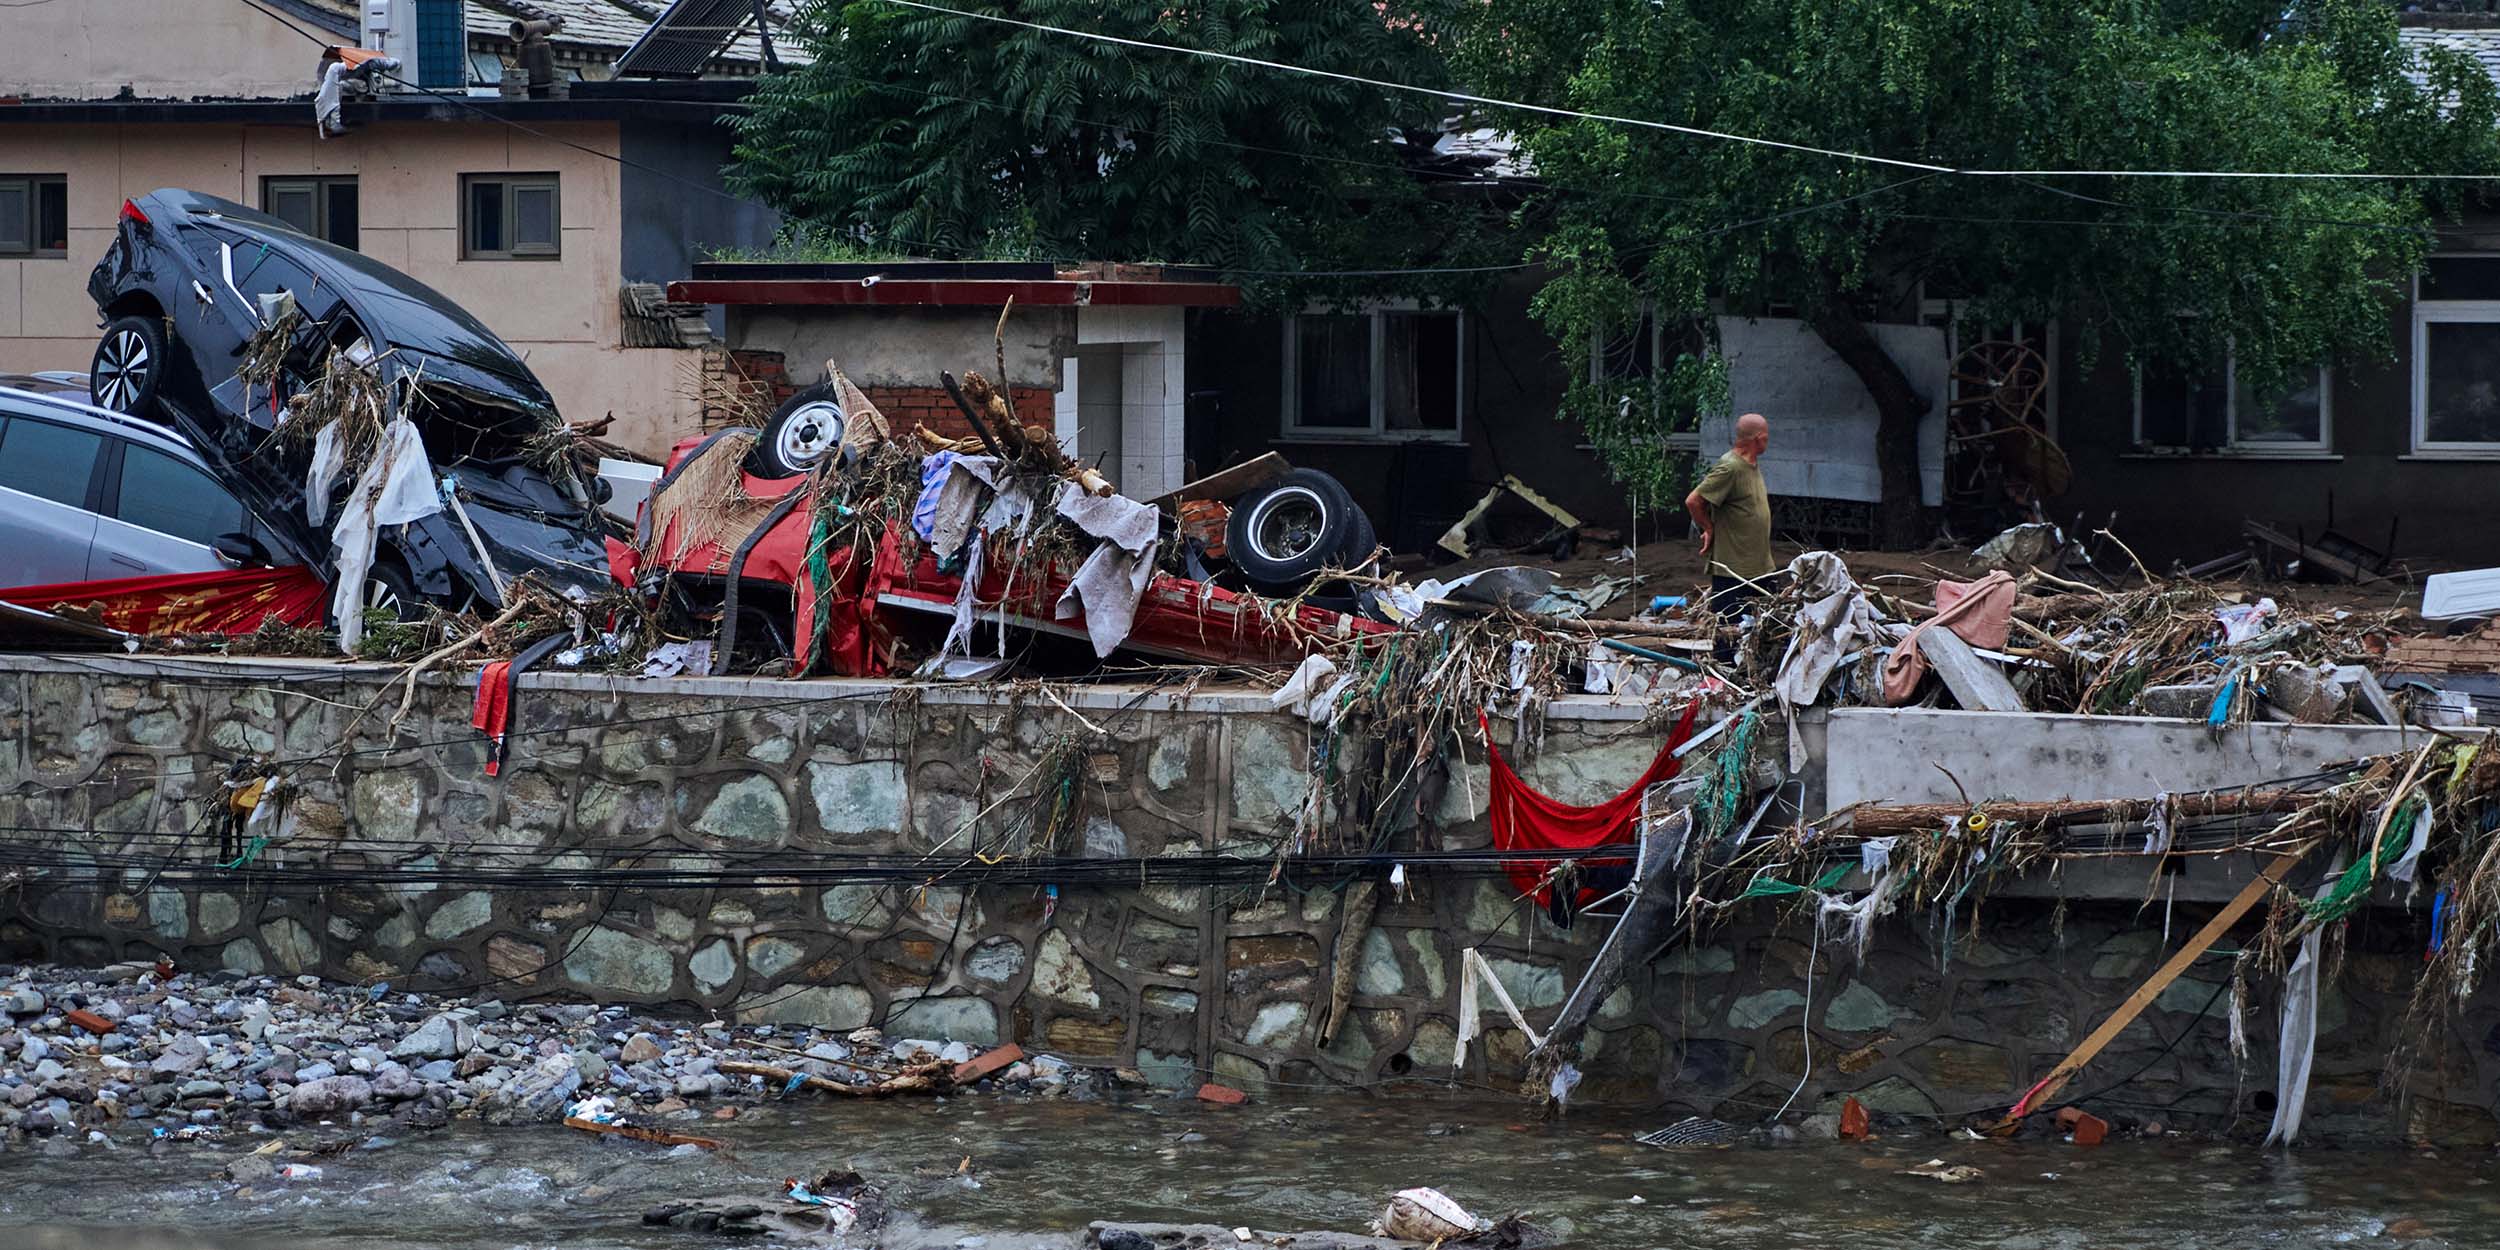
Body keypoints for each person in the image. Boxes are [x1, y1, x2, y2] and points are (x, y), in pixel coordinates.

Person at [1685, 412, 1774, 617]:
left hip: (1759, 566)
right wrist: (1708, 527)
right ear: (1758, 438)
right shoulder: (1730, 467)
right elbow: (1694, 501)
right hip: (1734, 570)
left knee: (1764, 627)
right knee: (1728, 630)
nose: (1767, 441)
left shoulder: (1751, 465)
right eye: (1767, 437)